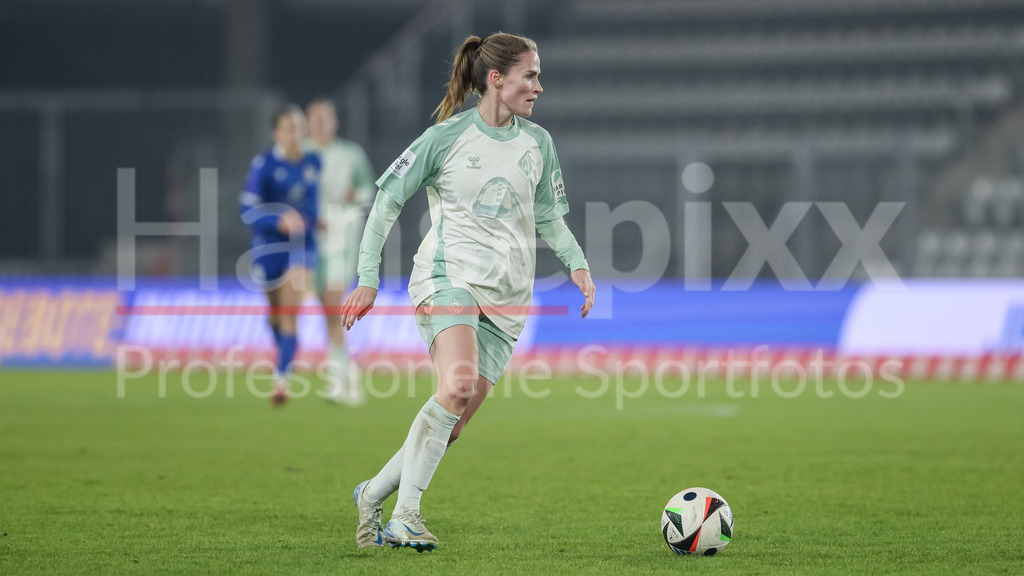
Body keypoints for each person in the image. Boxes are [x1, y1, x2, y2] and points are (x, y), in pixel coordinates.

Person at [341, 33, 596, 551]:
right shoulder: (445, 137)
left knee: (451, 424)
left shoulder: (538, 144)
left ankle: (371, 494)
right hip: (447, 277)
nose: (538, 86)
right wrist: (368, 277)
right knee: (456, 386)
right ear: (497, 79)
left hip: (508, 299)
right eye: (530, 75)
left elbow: (548, 215)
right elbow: (386, 200)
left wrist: (578, 265)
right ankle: (407, 515)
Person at [239, 104, 320, 406]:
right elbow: (247, 212)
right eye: (289, 127)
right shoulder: (263, 166)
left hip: (301, 248)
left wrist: (311, 219)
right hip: (268, 248)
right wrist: (278, 221)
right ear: (276, 133)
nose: (295, 133)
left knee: (289, 314)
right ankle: (287, 351)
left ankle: (281, 380)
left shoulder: (313, 162)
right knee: (275, 316)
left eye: (299, 127)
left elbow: (314, 203)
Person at [305, 97, 376, 405]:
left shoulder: (350, 154)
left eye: (326, 118)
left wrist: (354, 195)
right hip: (311, 240)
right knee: (326, 310)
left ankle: (339, 380)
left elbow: (369, 191)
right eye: (315, 118)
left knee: (334, 303)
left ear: (334, 122)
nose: (321, 123)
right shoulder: (302, 155)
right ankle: (347, 375)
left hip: (342, 237)